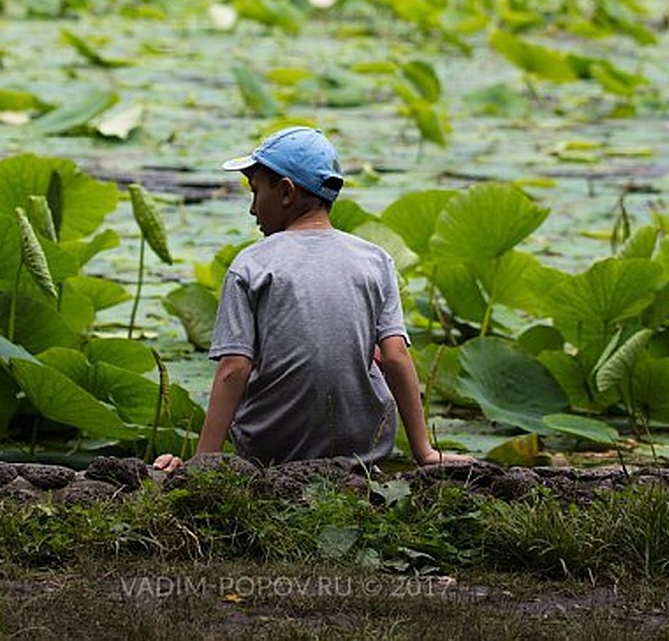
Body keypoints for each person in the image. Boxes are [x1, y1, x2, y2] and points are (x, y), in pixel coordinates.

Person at [153, 127, 470, 471]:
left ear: (286, 192)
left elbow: (234, 369)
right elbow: (396, 357)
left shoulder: (251, 264)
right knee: (374, 353)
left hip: (272, 449)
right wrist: (423, 451)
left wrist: (203, 463)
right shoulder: (376, 260)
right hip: (363, 448)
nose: (252, 210)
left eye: (255, 192)